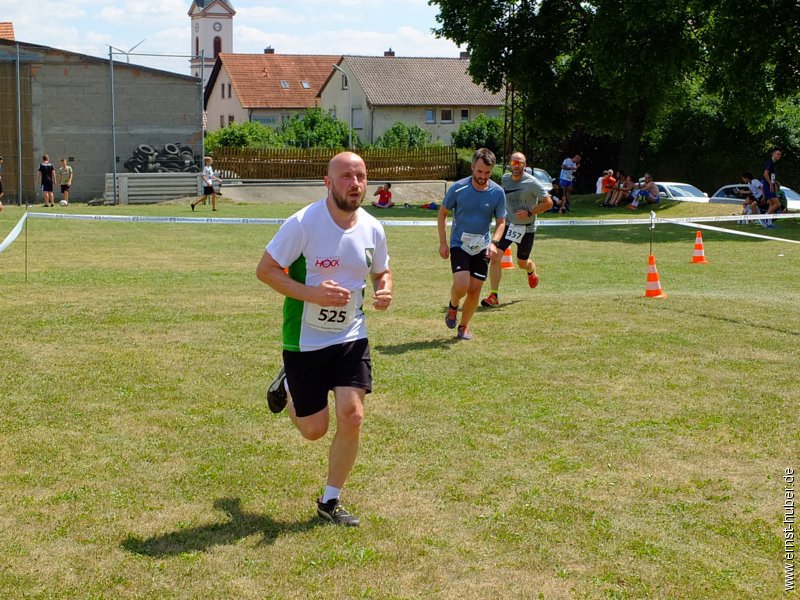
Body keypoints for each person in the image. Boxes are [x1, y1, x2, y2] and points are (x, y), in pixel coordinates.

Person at [257, 151, 392, 527]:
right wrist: (312, 294)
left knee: (353, 416)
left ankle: (330, 501)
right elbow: (265, 271)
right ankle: (286, 390)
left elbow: (382, 272)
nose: (355, 184)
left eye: (361, 176)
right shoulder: (303, 223)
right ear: (328, 182)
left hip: (351, 335)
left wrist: (384, 290)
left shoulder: (373, 228)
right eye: (347, 176)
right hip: (305, 340)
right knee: (315, 430)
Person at [437, 148, 506, 340]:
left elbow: (501, 222)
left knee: (475, 290)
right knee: (461, 284)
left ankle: (463, 327)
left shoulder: (497, 192)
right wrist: (443, 243)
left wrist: (494, 243)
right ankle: (453, 305)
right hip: (460, 244)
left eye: (487, 173)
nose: (483, 176)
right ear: (472, 167)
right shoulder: (458, 188)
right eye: (479, 171)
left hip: (483, 246)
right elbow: (442, 214)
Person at [481, 151, 552, 308]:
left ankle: (531, 269)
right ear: (510, 164)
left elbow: (549, 203)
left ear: (524, 165)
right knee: (495, 257)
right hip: (508, 225)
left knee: (522, 263)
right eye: (514, 162)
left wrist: (529, 212)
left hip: (526, 228)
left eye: (520, 163)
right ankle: (494, 295)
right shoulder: (505, 179)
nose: (516, 166)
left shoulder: (533, 183)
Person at [761, 148, 782, 228]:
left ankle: (769, 223)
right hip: (768, 185)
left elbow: (770, 175)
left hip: (770, 185)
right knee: (777, 204)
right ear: (773, 154)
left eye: (780, 155)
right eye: (777, 154)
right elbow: (765, 174)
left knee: (771, 203)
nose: (779, 156)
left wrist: (772, 184)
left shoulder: (772, 163)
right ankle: (763, 218)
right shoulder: (769, 162)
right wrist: (770, 184)